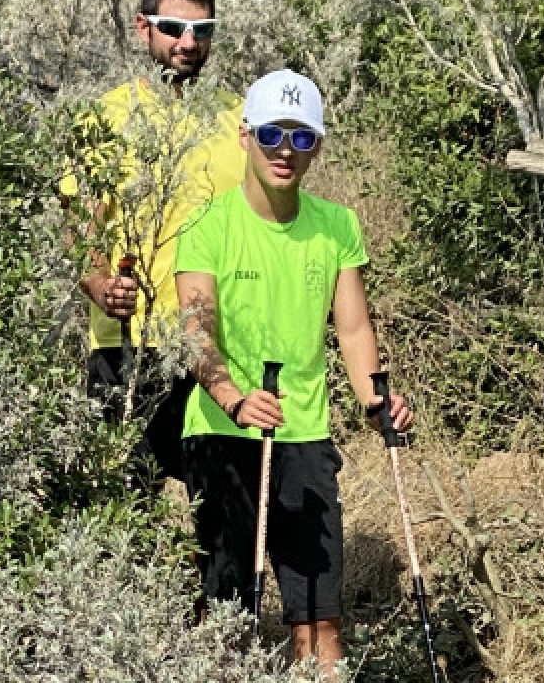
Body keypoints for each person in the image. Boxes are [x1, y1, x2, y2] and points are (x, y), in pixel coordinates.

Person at [174, 69, 413, 676]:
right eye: (274, 134)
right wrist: (233, 398)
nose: (286, 150)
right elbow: (195, 334)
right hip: (225, 433)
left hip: (304, 432)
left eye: (302, 138)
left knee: (318, 618)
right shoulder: (207, 226)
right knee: (226, 614)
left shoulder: (336, 226)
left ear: (318, 146)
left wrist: (374, 397)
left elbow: (354, 330)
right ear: (245, 135)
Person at [59, 0, 246, 490]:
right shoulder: (105, 117)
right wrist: (98, 284)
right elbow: (80, 223)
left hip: (218, 345)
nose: (188, 42)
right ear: (144, 28)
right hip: (130, 345)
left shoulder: (240, 120)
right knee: (124, 507)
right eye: (174, 27)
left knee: (223, 512)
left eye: (202, 30)